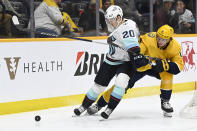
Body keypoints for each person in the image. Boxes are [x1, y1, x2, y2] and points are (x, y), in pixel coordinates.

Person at [86, 24, 184, 118]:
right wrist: (138, 58)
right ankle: (99, 105)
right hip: (142, 67)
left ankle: (165, 101)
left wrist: (164, 65)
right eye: (158, 37)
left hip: (157, 68)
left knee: (168, 73)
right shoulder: (148, 38)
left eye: (163, 39)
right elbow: (137, 53)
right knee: (122, 85)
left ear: (170, 39)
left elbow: (179, 67)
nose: (159, 41)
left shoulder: (175, 47)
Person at [73, 5, 149, 119]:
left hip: (126, 62)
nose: (109, 22)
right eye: (108, 20)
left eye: (111, 20)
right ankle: (84, 106)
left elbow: (133, 47)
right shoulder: (118, 26)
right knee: (98, 86)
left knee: (120, 83)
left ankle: (109, 108)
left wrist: (137, 55)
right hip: (111, 59)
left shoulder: (127, 27)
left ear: (119, 17)